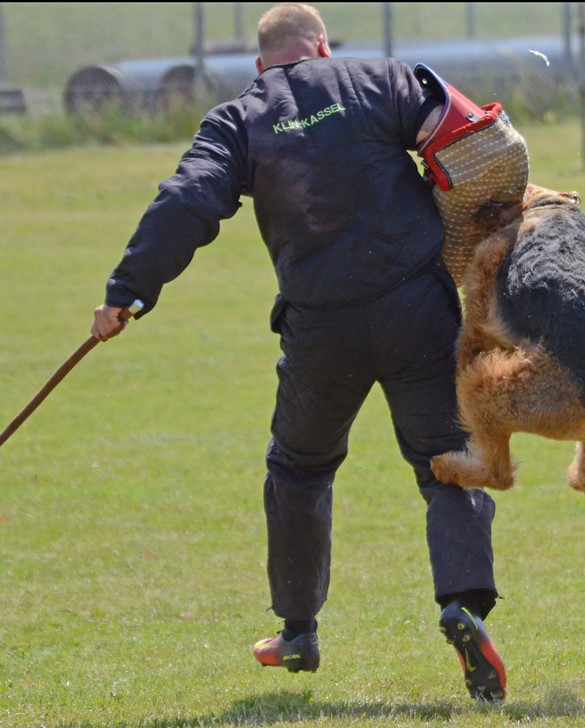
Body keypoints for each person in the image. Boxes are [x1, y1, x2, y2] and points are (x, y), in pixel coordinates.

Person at [91, 3, 506, 702]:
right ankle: (464, 605)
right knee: (449, 463)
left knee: (300, 471)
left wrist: (128, 292)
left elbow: (188, 198)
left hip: (321, 328)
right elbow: (472, 134)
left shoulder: (239, 118)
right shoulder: (382, 78)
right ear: (321, 47)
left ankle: (298, 631)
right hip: (415, 309)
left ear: (261, 64)